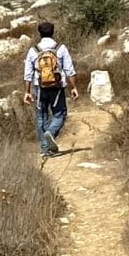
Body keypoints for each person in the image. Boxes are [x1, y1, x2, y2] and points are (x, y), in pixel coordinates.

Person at [21, 21, 76, 158]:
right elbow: (69, 69)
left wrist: (27, 92)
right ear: (53, 32)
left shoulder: (33, 50)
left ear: (39, 33)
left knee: (41, 117)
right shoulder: (60, 48)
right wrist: (74, 87)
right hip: (57, 87)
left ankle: (45, 150)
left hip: (39, 87)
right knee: (60, 114)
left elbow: (28, 73)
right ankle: (51, 133)